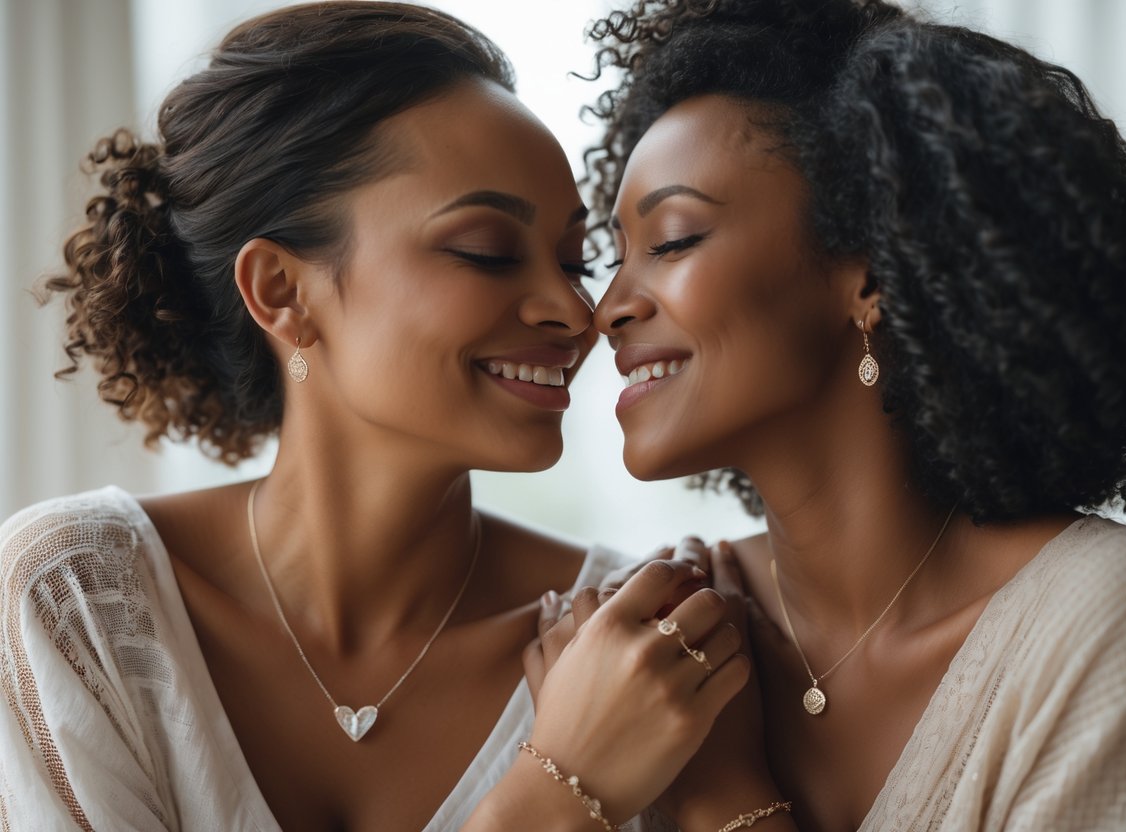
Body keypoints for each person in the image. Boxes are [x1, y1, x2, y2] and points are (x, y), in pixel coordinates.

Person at [0, 3, 750, 829]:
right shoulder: (77, 605)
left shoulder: (636, 639)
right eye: (487, 252)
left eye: (574, 262)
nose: (575, 315)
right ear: (282, 292)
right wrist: (558, 789)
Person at [581, 0, 1126, 828]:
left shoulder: (1112, 623)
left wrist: (719, 796)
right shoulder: (639, 631)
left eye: (670, 241)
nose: (609, 309)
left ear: (872, 277)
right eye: (614, 257)